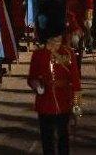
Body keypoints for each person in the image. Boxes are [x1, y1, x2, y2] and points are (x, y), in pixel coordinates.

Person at [28, 16, 82, 155]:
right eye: (54, 40)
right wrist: (37, 86)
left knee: (63, 138)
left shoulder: (68, 53)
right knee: (47, 139)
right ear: (47, 39)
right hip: (45, 101)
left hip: (64, 101)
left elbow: (76, 82)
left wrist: (77, 106)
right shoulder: (38, 55)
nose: (58, 43)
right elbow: (31, 78)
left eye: (59, 39)